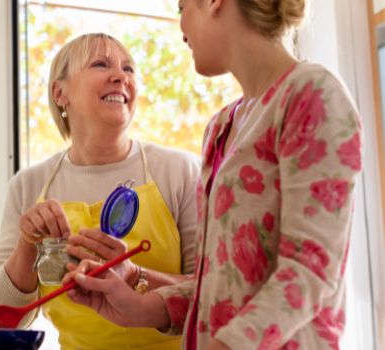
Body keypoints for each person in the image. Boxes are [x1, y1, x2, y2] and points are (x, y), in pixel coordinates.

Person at [65, 1, 362, 350]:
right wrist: (141, 306)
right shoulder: (222, 126)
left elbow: (310, 274)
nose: (180, 28)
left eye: (181, 8)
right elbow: (220, 283)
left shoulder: (312, 94)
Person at [0, 33, 201, 349]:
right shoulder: (28, 185)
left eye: (129, 69)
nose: (120, 77)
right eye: (101, 64)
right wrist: (28, 245)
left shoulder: (179, 170)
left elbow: (212, 295)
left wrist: (134, 276)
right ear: (60, 93)